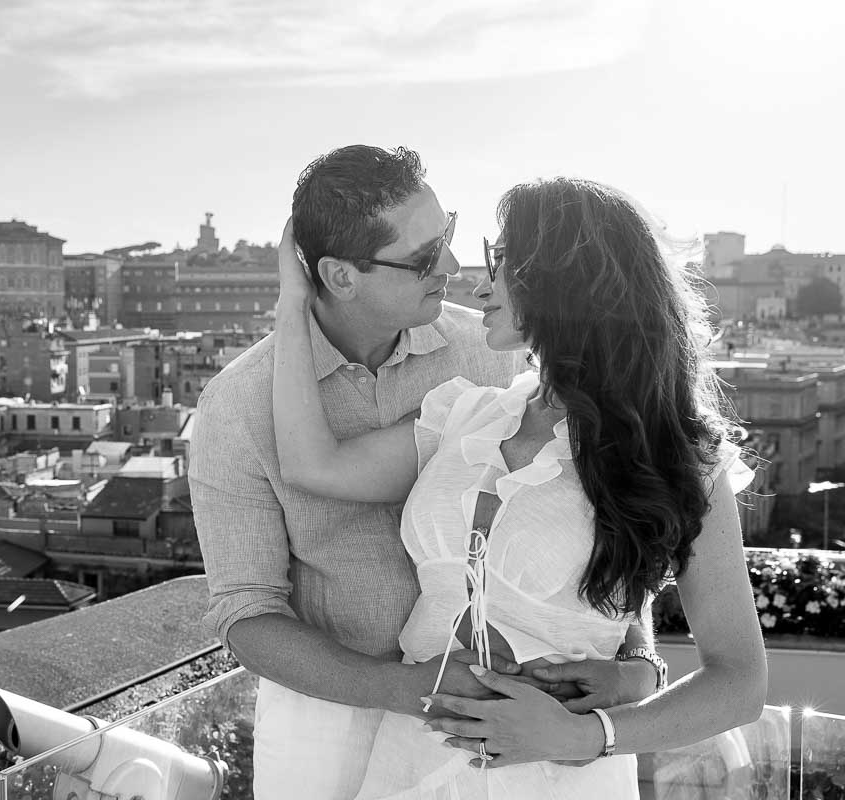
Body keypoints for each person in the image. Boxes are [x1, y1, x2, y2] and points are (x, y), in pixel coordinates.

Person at [190, 145, 663, 800]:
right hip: (327, 720)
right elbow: (246, 610)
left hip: (518, 716)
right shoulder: (238, 406)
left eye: (445, 236)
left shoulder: (497, 349)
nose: (453, 266)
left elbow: (587, 514)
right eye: (422, 258)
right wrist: (401, 689)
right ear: (340, 276)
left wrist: (635, 661)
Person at [271, 175, 768, 798]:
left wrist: (588, 736)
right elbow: (312, 465)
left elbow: (740, 682)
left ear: (563, 278)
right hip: (411, 766)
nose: (480, 284)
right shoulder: (465, 414)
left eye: (501, 262)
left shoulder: (677, 456)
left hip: (555, 779)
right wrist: (295, 306)